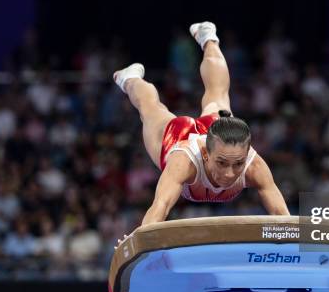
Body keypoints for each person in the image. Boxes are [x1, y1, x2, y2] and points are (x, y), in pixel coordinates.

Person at [113, 22, 289, 226]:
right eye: (222, 163)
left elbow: (283, 217)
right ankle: (129, 79)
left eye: (238, 164)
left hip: (217, 129)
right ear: (205, 154)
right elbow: (159, 207)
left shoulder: (254, 165)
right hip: (177, 136)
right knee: (151, 109)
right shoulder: (182, 162)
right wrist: (141, 244)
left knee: (219, 93)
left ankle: (209, 39)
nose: (230, 174)